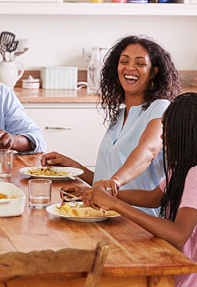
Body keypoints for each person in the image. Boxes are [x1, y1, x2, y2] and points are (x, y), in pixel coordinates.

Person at [79, 92, 197, 287]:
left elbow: (178, 234)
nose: (162, 136)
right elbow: (153, 198)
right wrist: (104, 196)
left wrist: (115, 204)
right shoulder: (186, 167)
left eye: (166, 130)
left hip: (178, 279)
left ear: (185, 134)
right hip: (166, 263)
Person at [42, 35, 179, 216]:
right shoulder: (120, 115)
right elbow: (104, 183)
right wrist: (73, 166)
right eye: (124, 61)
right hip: (107, 215)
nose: (130, 68)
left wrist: (115, 182)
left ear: (153, 72)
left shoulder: (160, 108)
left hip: (139, 222)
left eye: (140, 63)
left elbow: (148, 151)